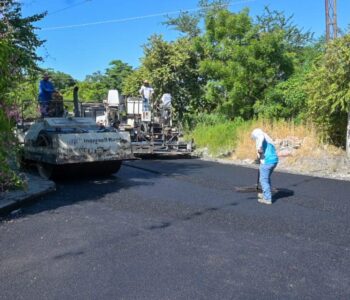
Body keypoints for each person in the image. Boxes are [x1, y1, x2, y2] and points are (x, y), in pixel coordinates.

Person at [251, 128, 279, 205]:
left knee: (263, 180)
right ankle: (266, 194)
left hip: (267, 161)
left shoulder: (260, 135)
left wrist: (259, 148)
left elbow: (260, 138)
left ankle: (267, 199)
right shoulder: (268, 138)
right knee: (266, 179)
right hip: (274, 160)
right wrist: (258, 158)